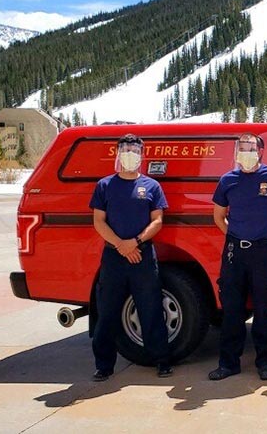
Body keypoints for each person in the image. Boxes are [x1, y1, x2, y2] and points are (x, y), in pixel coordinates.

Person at [208, 133, 267, 381]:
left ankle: (265, 362)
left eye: (250, 148)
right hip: (235, 252)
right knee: (232, 310)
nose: (245, 152)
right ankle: (228, 364)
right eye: (241, 148)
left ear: (261, 151)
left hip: (264, 252)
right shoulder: (227, 180)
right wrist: (235, 235)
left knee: (263, 309)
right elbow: (218, 216)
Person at [89, 133, 172, 381]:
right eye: (125, 149)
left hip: (143, 256)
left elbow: (157, 220)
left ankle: (162, 360)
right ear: (117, 153)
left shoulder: (152, 186)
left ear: (141, 154)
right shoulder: (104, 185)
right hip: (114, 257)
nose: (130, 154)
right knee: (107, 311)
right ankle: (104, 365)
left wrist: (135, 243)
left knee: (151, 309)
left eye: (134, 150)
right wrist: (121, 245)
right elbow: (98, 222)